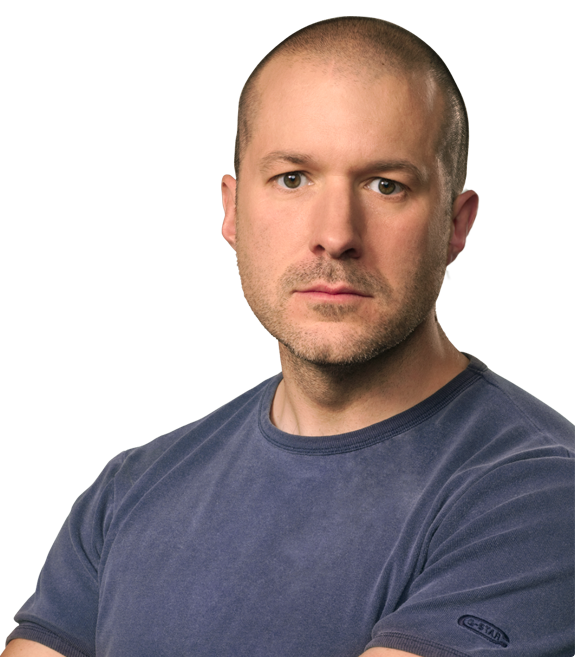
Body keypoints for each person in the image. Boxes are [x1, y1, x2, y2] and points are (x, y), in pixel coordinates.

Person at [6, 17, 575, 657]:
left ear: (456, 224)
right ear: (231, 208)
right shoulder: (129, 490)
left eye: (386, 185)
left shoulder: (539, 494)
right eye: (293, 179)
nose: (335, 234)